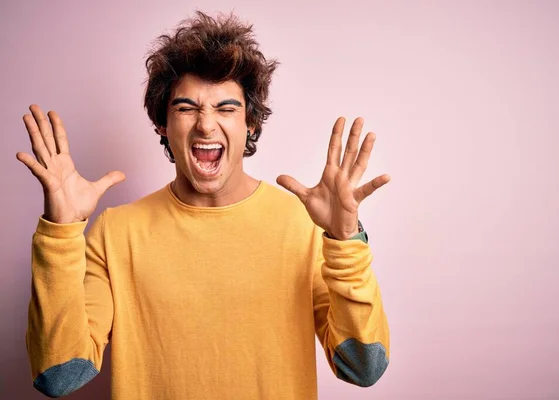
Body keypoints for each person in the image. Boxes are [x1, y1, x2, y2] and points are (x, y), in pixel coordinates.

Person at [18, 10, 391, 400]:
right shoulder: (116, 232)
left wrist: (344, 239)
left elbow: (363, 367)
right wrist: (59, 233)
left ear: (251, 123)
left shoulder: (304, 225)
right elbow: (58, 376)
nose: (206, 125)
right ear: (162, 123)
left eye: (226, 108)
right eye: (186, 108)